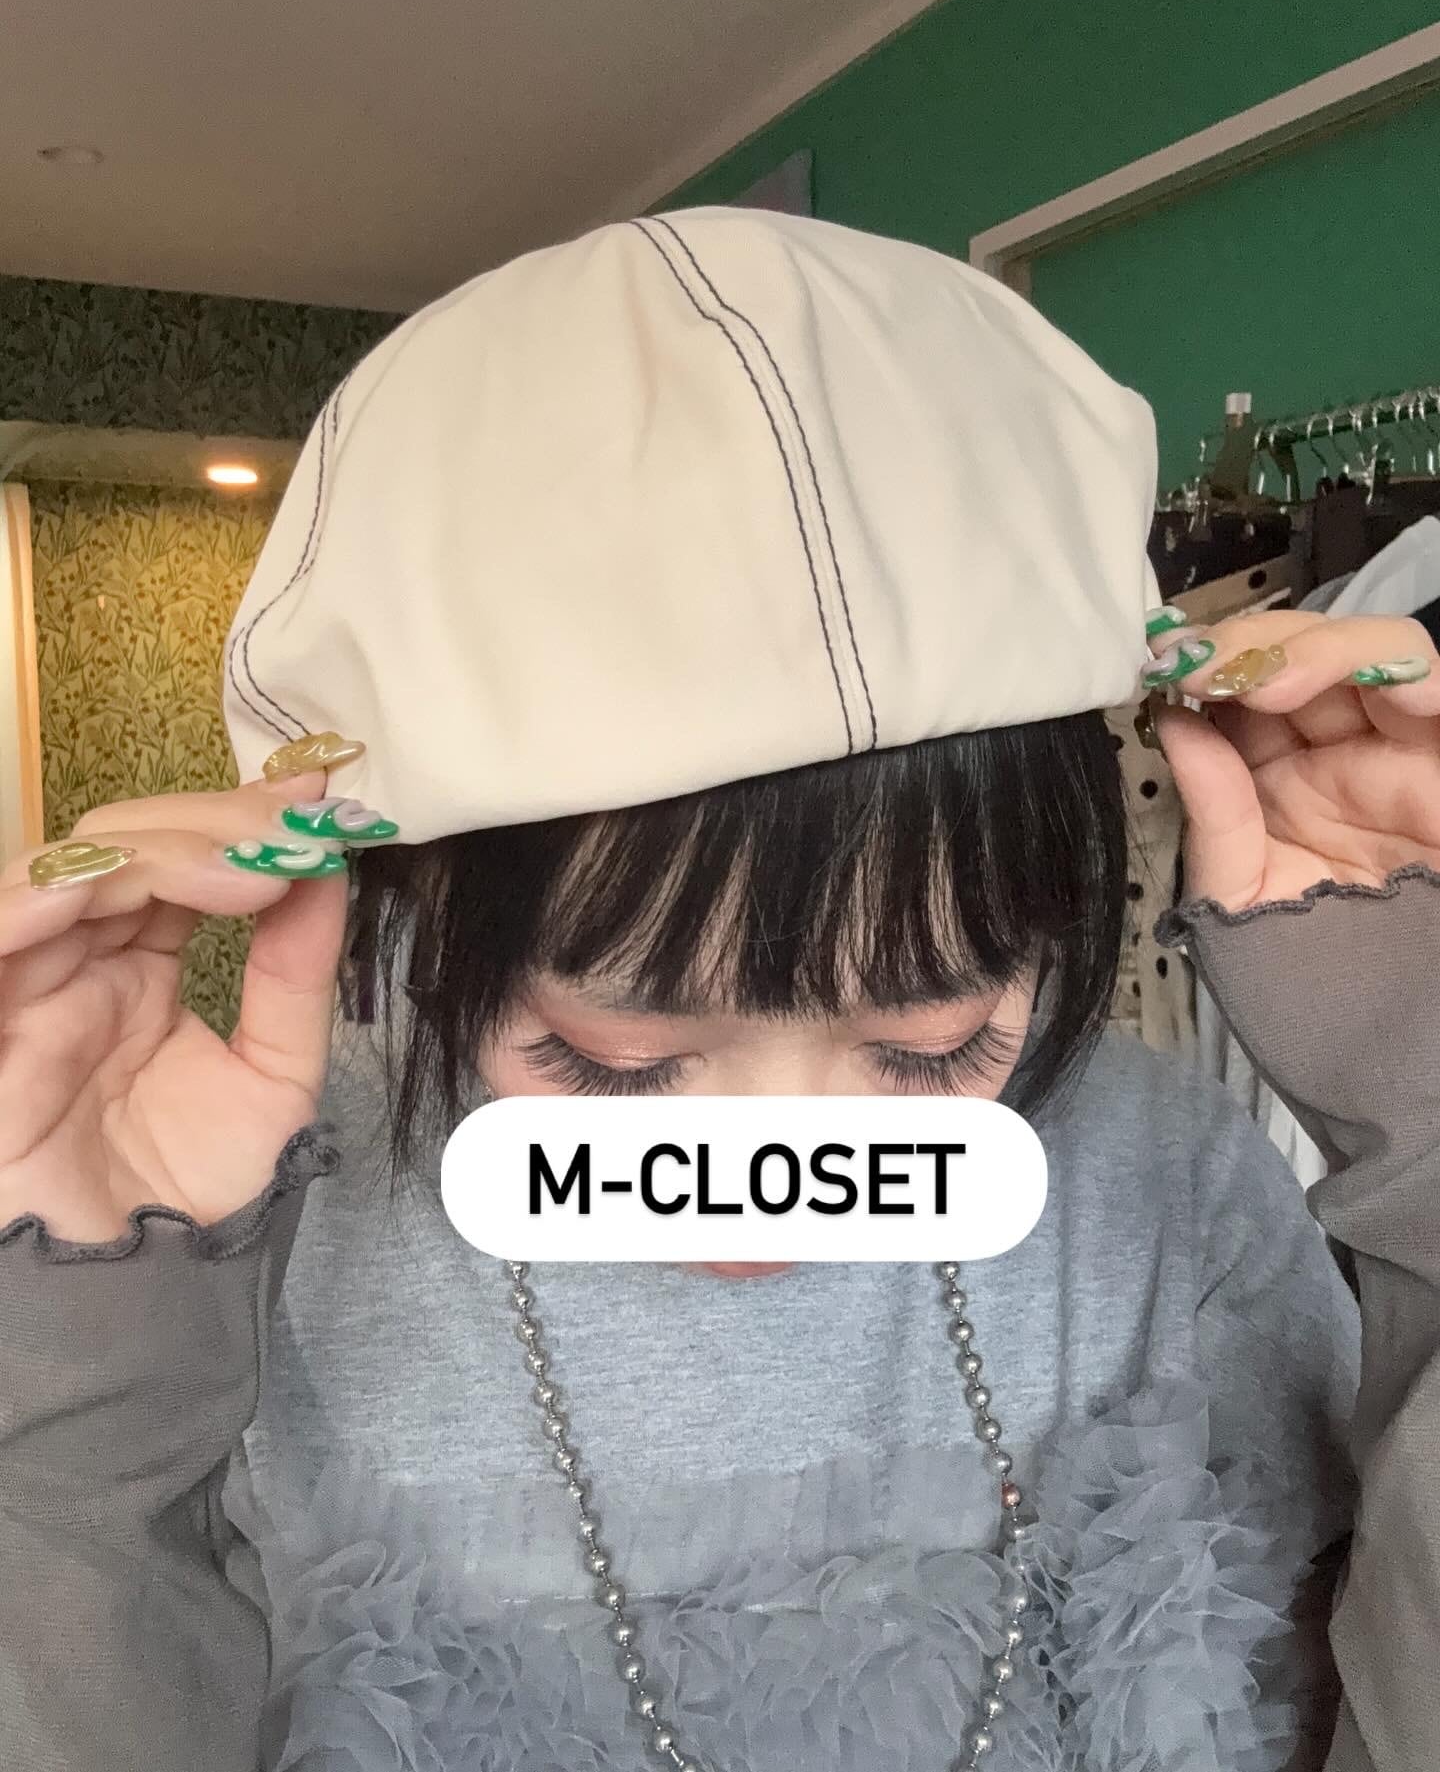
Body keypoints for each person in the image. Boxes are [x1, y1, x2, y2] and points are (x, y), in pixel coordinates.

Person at [0, 209, 1434, 1772]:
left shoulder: (1168, 1196)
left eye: (931, 1043)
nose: (773, 1174)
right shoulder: (255, 1253)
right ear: (410, 897)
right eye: (617, 1060)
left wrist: (1419, 1096)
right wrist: (78, 1420)